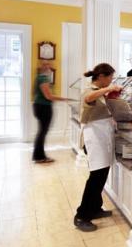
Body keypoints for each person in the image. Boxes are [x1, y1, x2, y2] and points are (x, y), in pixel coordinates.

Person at [74, 63, 123, 232]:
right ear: (101, 76)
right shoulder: (89, 90)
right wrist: (109, 89)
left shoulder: (100, 92)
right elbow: (89, 98)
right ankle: (82, 215)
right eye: (110, 77)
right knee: (95, 179)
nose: (111, 80)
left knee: (101, 177)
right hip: (93, 139)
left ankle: (95, 208)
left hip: (102, 138)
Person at [32, 61, 68, 163]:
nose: (49, 67)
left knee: (42, 132)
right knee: (42, 132)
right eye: (46, 65)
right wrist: (64, 99)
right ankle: (39, 157)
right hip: (43, 107)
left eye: (49, 65)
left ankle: (39, 156)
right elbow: (48, 96)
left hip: (40, 106)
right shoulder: (43, 78)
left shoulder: (41, 77)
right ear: (43, 67)